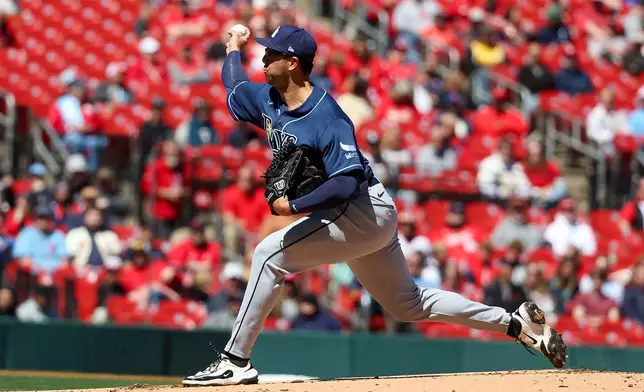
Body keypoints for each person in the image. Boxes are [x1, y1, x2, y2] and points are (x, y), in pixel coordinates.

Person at [182, 24, 567, 387]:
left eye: (271, 54)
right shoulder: (269, 98)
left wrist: (293, 205)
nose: (263, 59)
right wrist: (234, 45)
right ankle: (516, 325)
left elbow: (346, 181)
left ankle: (235, 360)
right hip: (363, 215)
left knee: (269, 255)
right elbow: (233, 86)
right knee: (407, 304)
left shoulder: (328, 117)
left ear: (293, 62)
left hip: (360, 208)